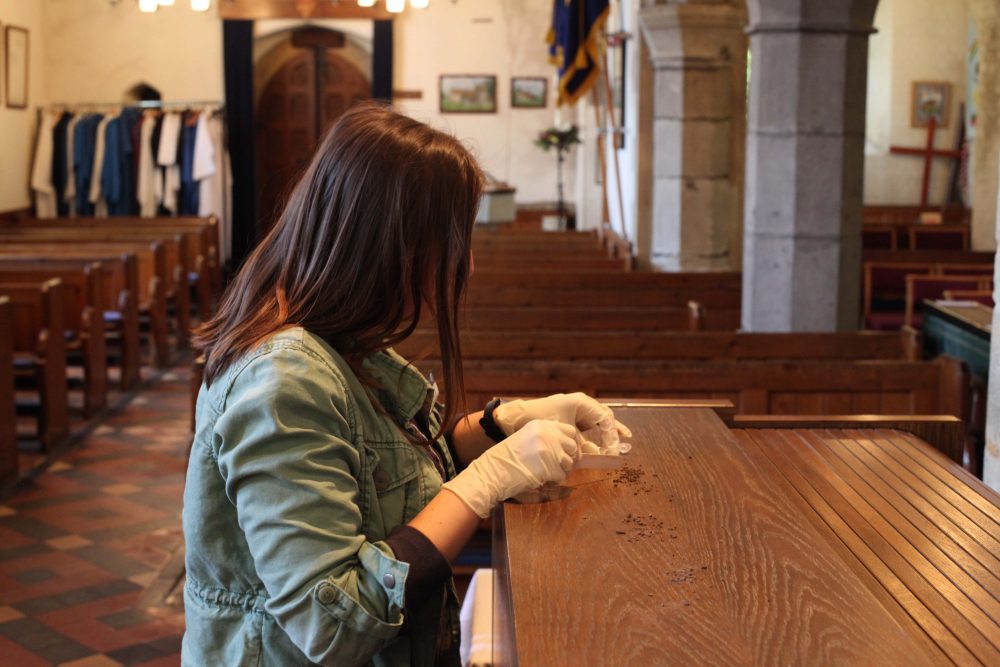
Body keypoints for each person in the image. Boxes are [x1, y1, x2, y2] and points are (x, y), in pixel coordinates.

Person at [181, 103, 631, 667]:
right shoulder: (284, 378)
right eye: (454, 240)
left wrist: (500, 426)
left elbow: (383, 471)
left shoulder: (341, 339)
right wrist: (484, 483)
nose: (464, 265)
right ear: (392, 243)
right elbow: (331, 625)